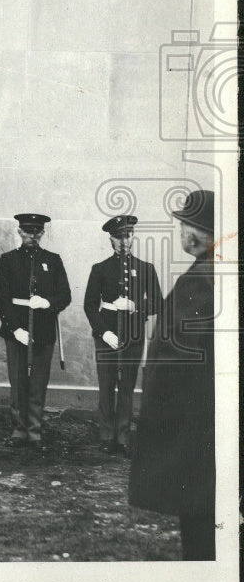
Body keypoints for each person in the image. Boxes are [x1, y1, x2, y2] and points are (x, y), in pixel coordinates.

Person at [129, 190, 216, 561]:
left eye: (184, 223)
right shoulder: (215, 271)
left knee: (199, 525)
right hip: (203, 423)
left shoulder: (201, 280)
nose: (181, 231)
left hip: (192, 425)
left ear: (197, 231)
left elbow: (181, 359)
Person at [83, 215, 161, 454]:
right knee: (106, 386)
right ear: (111, 239)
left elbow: (158, 303)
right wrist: (103, 332)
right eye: (119, 236)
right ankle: (106, 436)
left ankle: (123, 437)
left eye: (127, 235)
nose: (124, 241)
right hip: (107, 337)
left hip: (133, 336)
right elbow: (89, 305)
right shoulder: (100, 269)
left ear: (133, 236)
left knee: (126, 387)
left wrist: (135, 306)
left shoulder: (146, 269)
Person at [0, 213, 71, 448]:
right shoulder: (8, 260)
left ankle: (35, 430)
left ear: (42, 233)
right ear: (19, 232)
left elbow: (65, 295)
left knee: (38, 382)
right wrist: (14, 328)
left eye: (36, 231)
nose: (32, 236)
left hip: (43, 328)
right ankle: (19, 429)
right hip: (16, 327)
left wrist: (48, 303)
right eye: (27, 231)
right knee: (17, 381)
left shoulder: (53, 260)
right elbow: (2, 298)